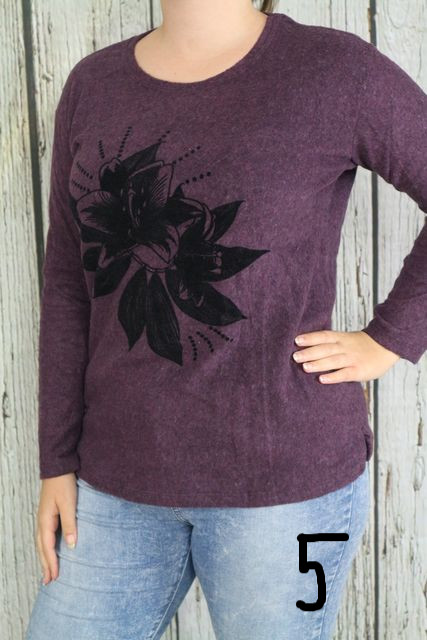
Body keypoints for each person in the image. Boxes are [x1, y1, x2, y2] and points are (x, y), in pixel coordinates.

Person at [25, 0, 426, 638]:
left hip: (286, 489)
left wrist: (391, 339)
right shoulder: (93, 85)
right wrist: (55, 458)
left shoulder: (335, 70)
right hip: (113, 481)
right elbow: (69, 284)